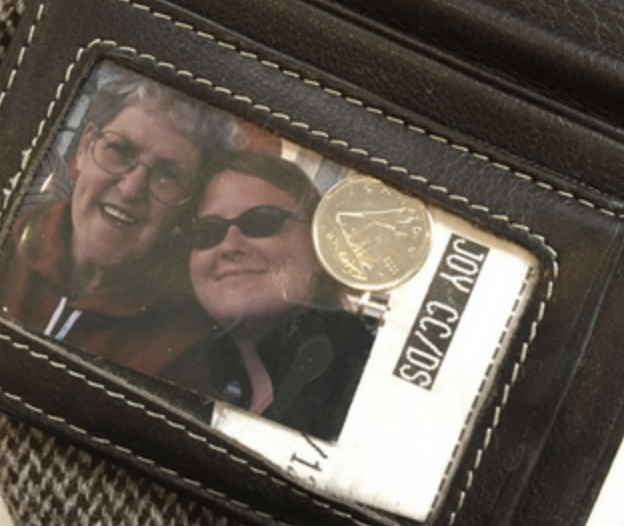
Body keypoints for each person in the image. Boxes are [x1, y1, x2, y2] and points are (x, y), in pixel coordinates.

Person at [0, 67, 235, 375]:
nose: (130, 188)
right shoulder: (7, 239)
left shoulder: (187, 344)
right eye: (120, 150)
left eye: (168, 174)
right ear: (85, 148)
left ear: (188, 205)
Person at [161, 150, 375, 441]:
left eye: (261, 221)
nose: (229, 246)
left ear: (319, 248)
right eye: (207, 231)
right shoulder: (206, 382)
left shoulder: (366, 378)